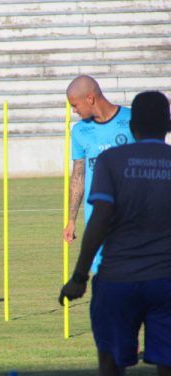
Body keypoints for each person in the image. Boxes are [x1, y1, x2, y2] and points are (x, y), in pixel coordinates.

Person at [59, 91, 171, 376]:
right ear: (168, 123)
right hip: (166, 280)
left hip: (118, 280)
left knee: (110, 363)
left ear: (133, 125)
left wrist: (80, 276)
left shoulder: (111, 161)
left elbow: (100, 221)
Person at [63, 75, 134, 274]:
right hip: (97, 220)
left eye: (75, 105)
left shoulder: (132, 120)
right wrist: (71, 220)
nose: (74, 111)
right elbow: (78, 175)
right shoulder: (79, 132)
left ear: (90, 98)